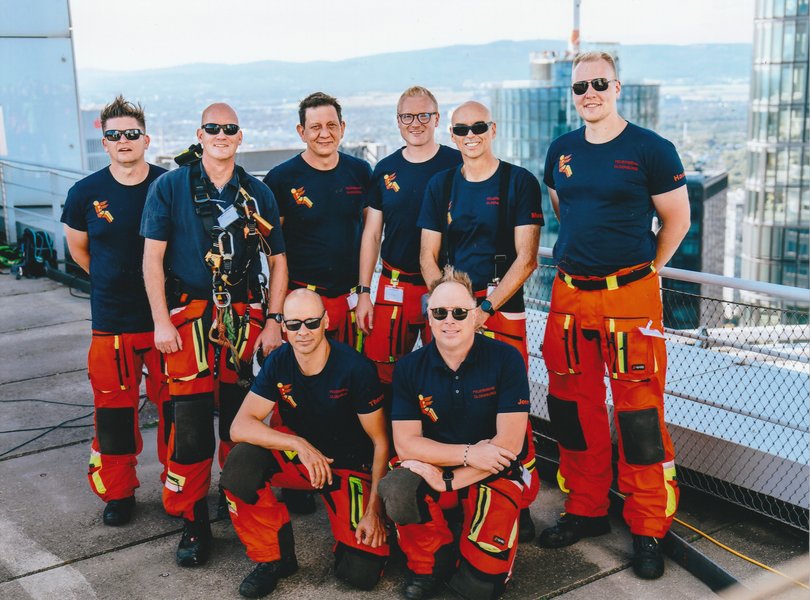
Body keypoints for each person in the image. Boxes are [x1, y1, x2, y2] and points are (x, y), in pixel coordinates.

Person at [537, 51, 690, 580]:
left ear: (617, 86)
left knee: (640, 416)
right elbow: (564, 209)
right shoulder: (561, 149)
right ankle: (586, 508)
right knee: (573, 411)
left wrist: (646, 272)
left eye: (598, 84)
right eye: (580, 87)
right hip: (570, 296)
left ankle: (648, 525)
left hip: (630, 297)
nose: (589, 94)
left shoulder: (651, 148)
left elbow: (676, 219)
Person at [141, 103, 288, 567]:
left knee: (238, 422)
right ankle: (192, 522)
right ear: (199, 134)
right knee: (189, 424)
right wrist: (162, 321)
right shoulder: (169, 186)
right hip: (189, 318)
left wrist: (274, 320)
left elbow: (278, 262)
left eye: (229, 128)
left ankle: (238, 502)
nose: (220, 134)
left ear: (240, 137)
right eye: (212, 128)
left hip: (243, 318)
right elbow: (152, 260)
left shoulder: (256, 193)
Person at [418, 100, 543, 540]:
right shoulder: (441, 185)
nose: (470, 135)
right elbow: (427, 256)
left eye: (478, 127)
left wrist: (484, 310)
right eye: (460, 129)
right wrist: (449, 307)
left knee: (509, 406)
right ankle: (463, 492)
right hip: (455, 309)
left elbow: (526, 260)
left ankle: (518, 499)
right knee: (455, 402)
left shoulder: (518, 182)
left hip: (500, 307)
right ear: (451, 135)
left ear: (493, 128)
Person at [220, 288, 390, 598]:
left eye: (311, 322)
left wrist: (374, 510)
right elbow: (239, 426)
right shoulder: (279, 362)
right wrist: (298, 444)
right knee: (241, 464)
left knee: (360, 573)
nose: (303, 332)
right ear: (283, 326)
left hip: (349, 466)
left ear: (326, 321)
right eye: (294, 324)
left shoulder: (355, 368)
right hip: (304, 461)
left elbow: (381, 443)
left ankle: (363, 531)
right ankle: (273, 559)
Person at [381, 266, 530, 600]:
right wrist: (466, 454)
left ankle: (476, 523)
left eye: (460, 312)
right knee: (398, 487)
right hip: (451, 462)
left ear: (475, 315)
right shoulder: (408, 367)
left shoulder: (507, 358)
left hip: (492, 469)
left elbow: (508, 444)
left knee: (480, 589)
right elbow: (406, 444)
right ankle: (433, 560)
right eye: (440, 312)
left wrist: (449, 481)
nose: (450, 320)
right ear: (429, 319)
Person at [61, 95, 169, 527]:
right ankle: (120, 493)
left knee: (176, 411)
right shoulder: (85, 192)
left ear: (145, 138)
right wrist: (113, 282)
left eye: (131, 133)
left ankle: (179, 487)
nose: (123, 141)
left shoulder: (169, 185)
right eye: (113, 135)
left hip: (166, 320)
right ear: (103, 142)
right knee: (113, 414)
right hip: (112, 323)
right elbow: (79, 251)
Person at [357, 86, 461, 388]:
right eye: (407, 116)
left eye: (424, 115)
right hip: (394, 285)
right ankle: (388, 436)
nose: (415, 123)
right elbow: (373, 234)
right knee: (382, 370)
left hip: (445, 285)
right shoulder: (386, 169)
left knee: (448, 367)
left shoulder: (457, 165)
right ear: (397, 120)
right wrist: (365, 292)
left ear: (437, 118)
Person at [264, 92, 371, 347]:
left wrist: (365, 293)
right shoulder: (280, 179)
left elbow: (371, 234)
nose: (324, 133)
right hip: (301, 301)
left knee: (348, 378)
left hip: (350, 301)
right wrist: (275, 312)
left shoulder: (360, 172)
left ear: (342, 128)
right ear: (301, 132)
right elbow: (272, 254)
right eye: (315, 127)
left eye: (331, 125)